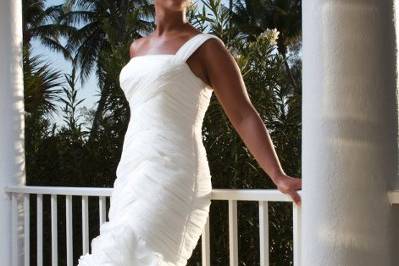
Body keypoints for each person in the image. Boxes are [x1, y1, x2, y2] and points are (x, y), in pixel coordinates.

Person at [77, 0, 301, 265]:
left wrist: (277, 175)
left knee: (139, 254)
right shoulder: (136, 49)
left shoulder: (207, 46)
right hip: (131, 174)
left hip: (174, 173)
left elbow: (243, 114)